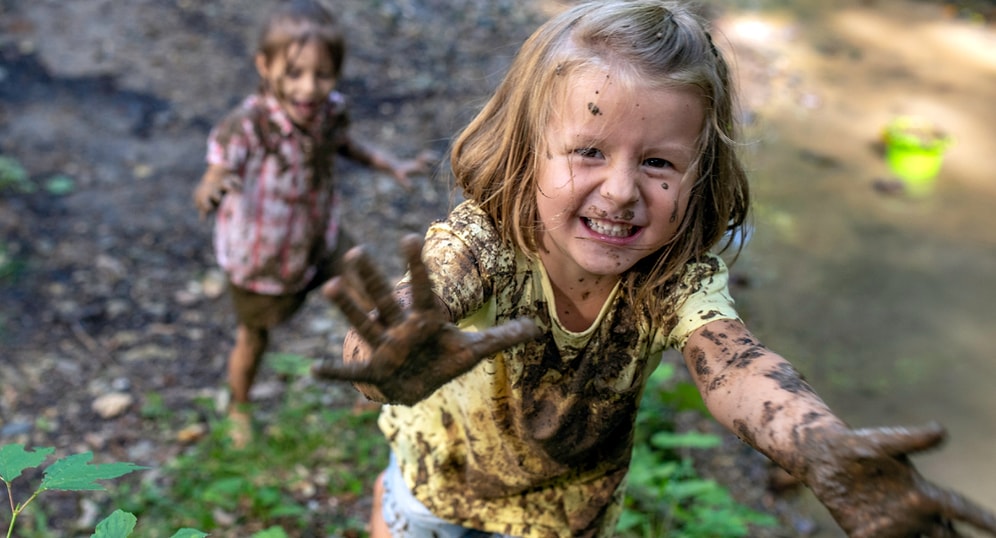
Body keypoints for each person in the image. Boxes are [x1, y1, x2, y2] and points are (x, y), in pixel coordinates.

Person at [313, 0, 996, 536]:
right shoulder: (484, 242)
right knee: (405, 520)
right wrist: (385, 360)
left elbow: (737, 367)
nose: (620, 191)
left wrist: (815, 446)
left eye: (658, 162)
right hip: (439, 474)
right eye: (588, 151)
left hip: (566, 511)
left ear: (700, 176)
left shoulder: (670, 278)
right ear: (527, 155)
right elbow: (388, 333)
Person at [193, 0, 432, 447]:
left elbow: (342, 143)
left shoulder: (329, 110)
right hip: (262, 258)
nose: (309, 88)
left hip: (321, 236)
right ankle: (239, 404)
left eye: (322, 75)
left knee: (371, 298)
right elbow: (216, 167)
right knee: (255, 336)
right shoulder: (247, 126)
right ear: (264, 66)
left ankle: (375, 380)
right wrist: (211, 186)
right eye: (294, 73)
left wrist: (390, 164)